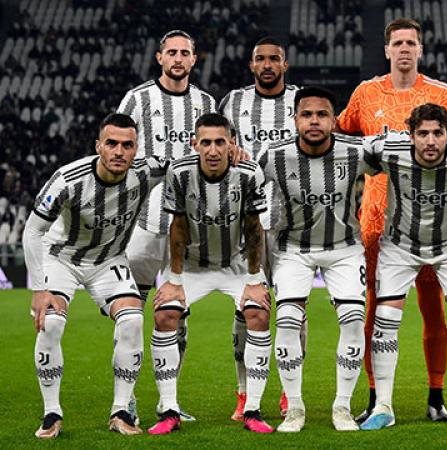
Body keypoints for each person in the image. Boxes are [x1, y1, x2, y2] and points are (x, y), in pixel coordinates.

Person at [336, 17, 447, 422]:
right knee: (375, 311)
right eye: (398, 43)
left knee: (434, 308)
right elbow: (339, 137)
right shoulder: (366, 93)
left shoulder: (441, 94)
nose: (405, 49)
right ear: (387, 50)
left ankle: (436, 397)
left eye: (411, 43)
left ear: (420, 50)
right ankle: (377, 398)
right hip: (376, 222)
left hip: (431, 221)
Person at [23, 113, 168, 439]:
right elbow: (33, 230)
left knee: (132, 320)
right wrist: (39, 288)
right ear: (98, 146)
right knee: (51, 322)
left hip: (108, 260)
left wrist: (232, 154)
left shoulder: (146, 171)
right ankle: (51, 413)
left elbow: (189, 165)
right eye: (111, 143)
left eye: (127, 145)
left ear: (136, 149)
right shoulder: (68, 179)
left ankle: (120, 411)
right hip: (62, 258)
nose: (119, 151)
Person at [360, 103, 447, 431]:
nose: (430, 141)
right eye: (422, 134)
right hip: (400, 247)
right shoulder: (388, 150)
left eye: (437, 133)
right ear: (411, 136)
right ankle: (383, 407)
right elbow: (346, 153)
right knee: (385, 319)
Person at [147, 113, 273, 435]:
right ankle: (169, 409)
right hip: (192, 265)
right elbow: (177, 226)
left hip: (236, 264)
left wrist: (254, 280)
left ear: (232, 144)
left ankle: (252, 409)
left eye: (220, 142)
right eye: (206, 142)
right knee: (165, 315)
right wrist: (174, 281)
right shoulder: (179, 172)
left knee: (258, 313)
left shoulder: (249, 173)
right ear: (195, 144)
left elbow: (254, 228)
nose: (213, 150)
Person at [117, 29, 216, 422]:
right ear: (159, 57)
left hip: (188, 226)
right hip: (143, 222)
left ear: (194, 59)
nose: (177, 58)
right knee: (130, 312)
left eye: (184, 52)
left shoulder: (206, 103)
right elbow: (119, 150)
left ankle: (168, 400)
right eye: (171, 52)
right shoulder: (137, 99)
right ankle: (125, 400)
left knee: (177, 315)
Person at [258, 87, 370, 433]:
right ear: (295, 120)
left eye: (322, 114)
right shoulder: (273, 156)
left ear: (334, 120)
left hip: (345, 248)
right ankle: (294, 409)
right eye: (306, 114)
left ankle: (342, 407)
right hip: (293, 249)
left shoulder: (356, 152)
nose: (314, 121)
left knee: (353, 321)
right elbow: (244, 184)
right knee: (288, 321)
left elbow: (399, 159)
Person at [219, 36, 301, 421]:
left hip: (290, 221)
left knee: (293, 309)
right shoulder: (233, 102)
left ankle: (289, 393)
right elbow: (215, 147)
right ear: (251, 65)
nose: (267, 65)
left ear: (285, 65)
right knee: (245, 308)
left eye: (274, 59)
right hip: (244, 221)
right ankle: (243, 392)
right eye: (260, 59)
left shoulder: (300, 101)